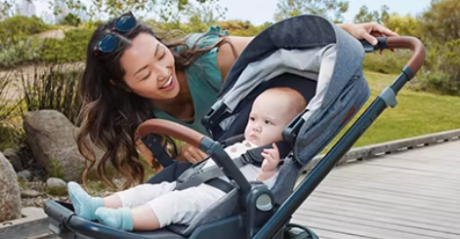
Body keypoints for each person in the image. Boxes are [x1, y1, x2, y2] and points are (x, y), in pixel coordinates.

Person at [75, 11, 396, 188]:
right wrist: (184, 154)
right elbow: (168, 172)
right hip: (217, 178)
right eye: (144, 74)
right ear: (122, 85)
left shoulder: (212, 59)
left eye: (161, 54)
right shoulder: (136, 118)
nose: (162, 73)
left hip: (259, 160)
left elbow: (277, 43)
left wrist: (344, 30)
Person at [67, 86, 307, 231]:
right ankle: (97, 205)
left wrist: (267, 172)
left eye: (268, 122)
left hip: (217, 201)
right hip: (192, 183)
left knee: (174, 203)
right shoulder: (238, 143)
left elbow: (263, 195)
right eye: (253, 119)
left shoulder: (274, 160)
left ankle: (124, 220)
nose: (256, 127)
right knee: (150, 191)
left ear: (289, 131)